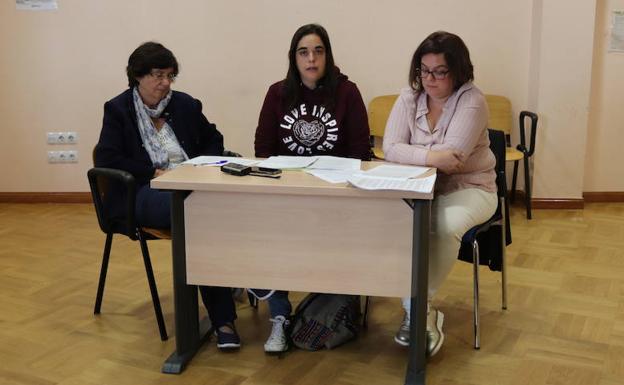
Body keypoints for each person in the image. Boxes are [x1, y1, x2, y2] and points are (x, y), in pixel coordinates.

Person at [95, 42, 240, 350]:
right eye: (158, 75)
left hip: (192, 186)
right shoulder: (118, 109)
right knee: (198, 215)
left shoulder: (185, 104)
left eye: (170, 75)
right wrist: (151, 172)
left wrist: (205, 165)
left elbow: (213, 137)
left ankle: (234, 281)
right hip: (144, 191)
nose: (165, 83)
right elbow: (108, 158)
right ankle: (223, 317)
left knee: (212, 209)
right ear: (137, 76)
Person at [253, 23, 371, 353]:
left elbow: (361, 150)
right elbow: (263, 148)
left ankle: (333, 304)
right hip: (289, 192)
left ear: (328, 55)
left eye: (318, 51)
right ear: (294, 58)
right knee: (265, 231)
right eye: (303, 52)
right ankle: (279, 316)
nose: (311, 58)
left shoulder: (347, 93)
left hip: (335, 194)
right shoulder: (277, 93)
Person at [383, 31, 497, 357]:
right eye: (423, 70)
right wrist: (431, 155)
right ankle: (418, 310)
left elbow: (454, 159)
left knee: (443, 225)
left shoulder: (472, 100)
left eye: (439, 71)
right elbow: (389, 148)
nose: (429, 79)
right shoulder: (408, 98)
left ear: (458, 71)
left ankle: (419, 310)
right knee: (386, 224)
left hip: (471, 189)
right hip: (418, 188)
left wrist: (413, 152)